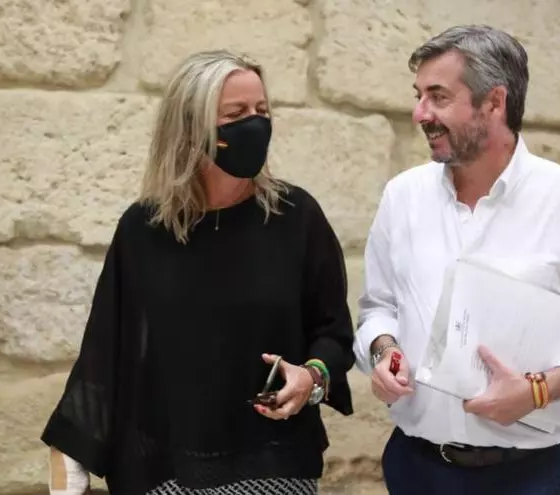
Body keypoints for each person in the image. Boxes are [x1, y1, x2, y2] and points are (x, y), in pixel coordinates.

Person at [40, 49, 355, 495]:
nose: (255, 124)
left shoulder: (296, 216)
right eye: (236, 114)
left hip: (274, 461)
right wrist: (71, 455)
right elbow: (107, 349)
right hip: (164, 466)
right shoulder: (145, 228)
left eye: (262, 110)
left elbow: (333, 332)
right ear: (191, 127)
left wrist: (312, 377)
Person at [353, 25, 560, 494]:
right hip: (417, 468)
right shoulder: (402, 197)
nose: (420, 113)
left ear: (494, 102)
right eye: (419, 95)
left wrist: (538, 391)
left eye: (438, 96)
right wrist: (384, 352)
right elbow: (378, 308)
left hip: (531, 476)